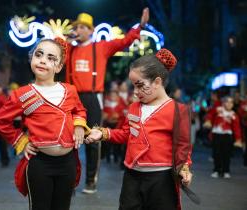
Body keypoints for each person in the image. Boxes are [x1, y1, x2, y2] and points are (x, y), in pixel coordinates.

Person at [86, 49, 193, 210]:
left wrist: (184, 169)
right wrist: (102, 133)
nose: (135, 92)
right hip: (132, 176)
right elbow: (125, 133)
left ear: (157, 82)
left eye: (140, 85)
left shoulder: (179, 110)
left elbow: (182, 146)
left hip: (162, 179)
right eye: (133, 86)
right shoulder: (134, 108)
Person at [0, 38, 90, 210]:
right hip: (39, 164)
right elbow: (1, 121)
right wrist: (21, 141)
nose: (43, 60)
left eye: (51, 58)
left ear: (59, 67)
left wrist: (78, 125)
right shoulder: (21, 95)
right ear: (31, 59)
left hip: (68, 163)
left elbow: (79, 110)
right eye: (39, 55)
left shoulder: (70, 90)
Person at [65, 7, 150, 194]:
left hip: (93, 97)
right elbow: (52, 49)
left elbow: (125, 41)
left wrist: (141, 26)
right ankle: (69, 182)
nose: (78, 30)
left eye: (82, 27)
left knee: (93, 139)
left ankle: (90, 181)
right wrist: (66, 39)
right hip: (72, 97)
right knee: (69, 141)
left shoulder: (101, 47)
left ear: (91, 30)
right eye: (77, 27)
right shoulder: (69, 48)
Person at [204, 96, 242, 178]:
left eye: (231, 102)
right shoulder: (218, 110)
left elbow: (237, 128)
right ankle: (216, 170)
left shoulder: (233, 115)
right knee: (216, 153)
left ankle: (226, 171)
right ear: (223, 103)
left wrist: (238, 139)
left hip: (227, 136)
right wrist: (208, 121)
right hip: (216, 134)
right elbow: (209, 115)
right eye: (227, 102)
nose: (229, 104)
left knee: (226, 154)